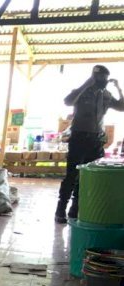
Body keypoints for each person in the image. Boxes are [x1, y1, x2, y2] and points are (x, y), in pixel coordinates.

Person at [55, 65, 124, 223]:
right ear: (93, 77)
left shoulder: (106, 95)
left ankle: (75, 210)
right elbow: (67, 101)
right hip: (79, 138)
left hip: (96, 140)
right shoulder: (82, 92)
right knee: (72, 175)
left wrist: (119, 88)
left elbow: (122, 107)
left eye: (105, 78)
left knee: (87, 177)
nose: (102, 81)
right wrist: (87, 83)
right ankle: (60, 209)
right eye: (99, 78)